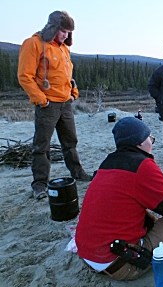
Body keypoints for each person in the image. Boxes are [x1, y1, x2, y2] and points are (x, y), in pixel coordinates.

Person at [75, 117, 163, 281]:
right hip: (121, 261)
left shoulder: (107, 163)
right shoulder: (142, 165)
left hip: (88, 253)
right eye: (150, 138)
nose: (152, 142)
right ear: (140, 143)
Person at [17, 11, 92, 200]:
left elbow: (66, 75)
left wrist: (73, 92)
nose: (66, 35)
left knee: (70, 142)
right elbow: (25, 76)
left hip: (65, 104)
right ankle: (40, 185)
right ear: (53, 28)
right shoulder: (33, 44)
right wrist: (41, 99)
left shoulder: (63, 48)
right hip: (47, 105)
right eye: (63, 31)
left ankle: (77, 172)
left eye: (69, 32)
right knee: (42, 146)